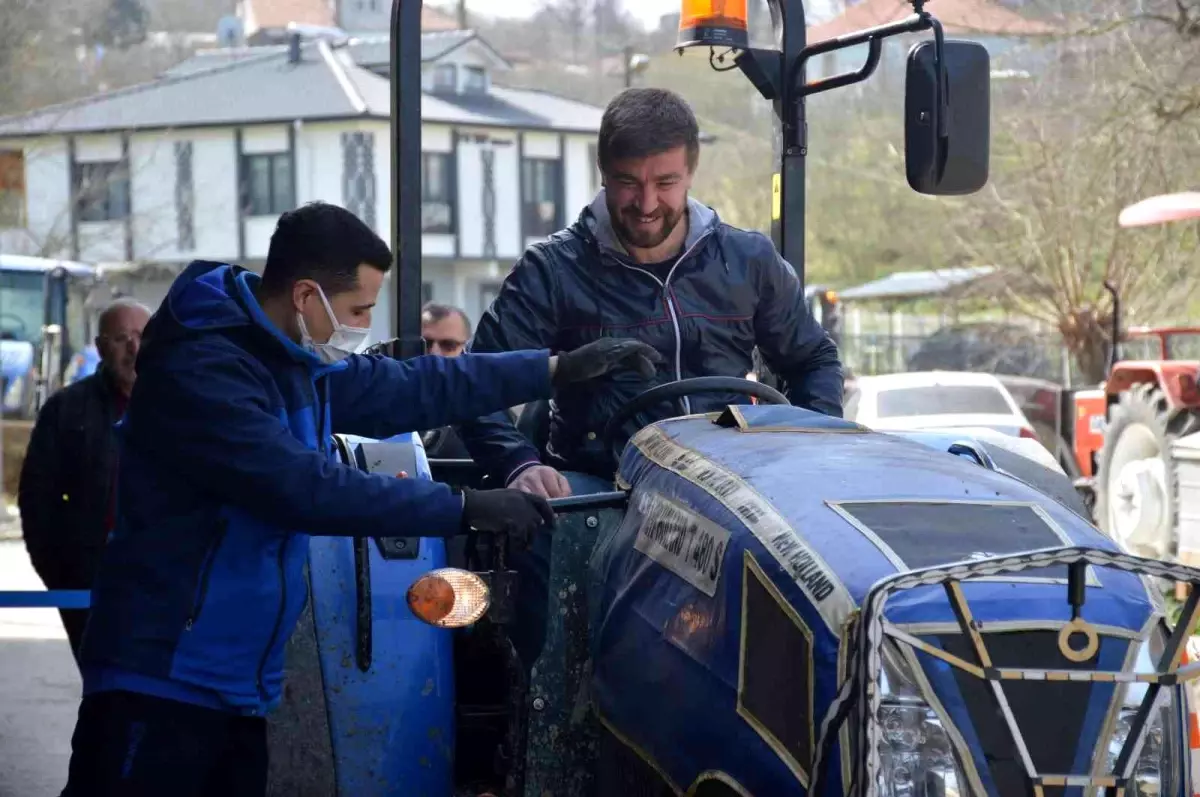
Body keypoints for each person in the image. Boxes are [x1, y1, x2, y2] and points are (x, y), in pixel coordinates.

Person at [59, 201, 660, 797]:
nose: (362, 324)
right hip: (163, 676)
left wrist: (553, 370)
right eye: (357, 309)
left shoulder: (293, 359)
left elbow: (413, 385)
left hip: (238, 683)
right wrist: (462, 507)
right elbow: (303, 489)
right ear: (304, 298)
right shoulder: (206, 372)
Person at [455, 87, 844, 667]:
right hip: (601, 483)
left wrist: (805, 446)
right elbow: (474, 385)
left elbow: (813, 361)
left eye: (665, 183)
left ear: (691, 172)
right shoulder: (553, 271)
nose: (645, 203)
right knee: (546, 536)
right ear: (603, 176)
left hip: (727, 481)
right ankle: (546, 712)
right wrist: (521, 463)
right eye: (628, 183)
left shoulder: (748, 261)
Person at [18, 297, 151, 667]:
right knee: (105, 691)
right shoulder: (67, 410)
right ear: (99, 348)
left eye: (141, 336)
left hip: (166, 582)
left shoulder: (185, 403)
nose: (133, 349)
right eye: (121, 338)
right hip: (90, 583)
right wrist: (60, 575)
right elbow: (36, 499)